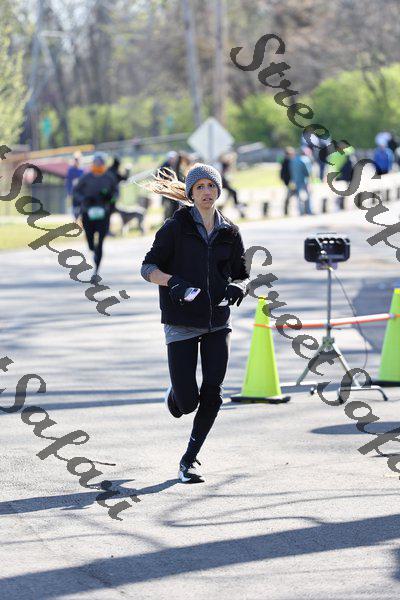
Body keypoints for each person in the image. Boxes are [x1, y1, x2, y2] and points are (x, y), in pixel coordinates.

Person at [140, 163, 250, 483]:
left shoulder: (230, 232)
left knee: (213, 393)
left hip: (217, 322)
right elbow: (147, 268)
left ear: (219, 190)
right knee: (187, 403)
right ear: (190, 192)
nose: (206, 192)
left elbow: (241, 274)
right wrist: (171, 281)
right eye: (199, 186)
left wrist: (237, 286)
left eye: (211, 186)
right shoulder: (175, 228)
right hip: (181, 321)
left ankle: (189, 460)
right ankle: (176, 395)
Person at [73, 152, 118, 281]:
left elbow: (116, 192)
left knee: (100, 243)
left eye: (100, 162)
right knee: (91, 242)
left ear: (104, 163)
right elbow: (76, 192)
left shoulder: (109, 177)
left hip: (104, 213)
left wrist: (110, 198)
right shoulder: (86, 177)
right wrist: (85, 199)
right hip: (88, 213)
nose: (98, 164)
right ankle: (93, 249)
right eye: (96, 162)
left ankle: (96, 269)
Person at [290, 148, 313, 215]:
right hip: (304, 180)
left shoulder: (294, 160)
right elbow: (307, 172)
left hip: (296, 180)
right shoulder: (305, 160)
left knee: (298, 196)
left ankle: (301, 211)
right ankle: (308, 210)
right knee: (308, 196)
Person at [159, 151, 180, 220]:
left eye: (174, 158)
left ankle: (175, 219)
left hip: (175, 190)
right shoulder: (164, 166)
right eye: (171, 158)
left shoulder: (177, 165)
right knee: (167, 207)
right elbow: (159, 176)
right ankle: (167, 220)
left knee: (175, 205)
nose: (172, 160)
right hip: (166, 190)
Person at [65, 152, 84, 219]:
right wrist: (69, 193)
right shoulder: (70, 170)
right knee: (74, 210)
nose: (77, 161)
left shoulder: (82, 170)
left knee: (81, 209)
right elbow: (68, 182)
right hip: (73, 193)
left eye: (78, 159)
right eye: (76, 159)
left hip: (81, 193)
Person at [280, 146, 296, 215]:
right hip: (290, 182)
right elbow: (285, 173)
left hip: (290, 181)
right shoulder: (287, 161)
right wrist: (289, 182)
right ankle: (286, 211)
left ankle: (287, 210)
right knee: (289, 196)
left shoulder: (287, 161)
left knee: (290, 196)